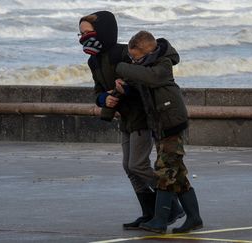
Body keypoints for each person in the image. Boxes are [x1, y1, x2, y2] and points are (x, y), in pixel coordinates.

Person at [78, 12, 184, 230]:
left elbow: (145, 80)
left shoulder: (123, 53)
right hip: (125, 119)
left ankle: (171, 204)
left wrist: (125, 88)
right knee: (128, 167)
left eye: (87, 33)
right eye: (80, 34)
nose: (83, 37)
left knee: (137, 164)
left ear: (104, 32)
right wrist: (102, 98)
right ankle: (148, 212)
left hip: (142, 116)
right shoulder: (93, 60)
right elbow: (98, 90)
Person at [115, 30, 203, 233]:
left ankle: (160, 220)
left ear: (145, 50)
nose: (133, 62)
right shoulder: (145, 65)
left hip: (171, 123)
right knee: (177, 173)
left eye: (135, 57)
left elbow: (152, 79)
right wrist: (123, 87)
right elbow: (139, 83)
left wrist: (122, 68)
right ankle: (194, 217)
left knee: (165, 170)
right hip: (160, 124)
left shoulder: (163, 63)